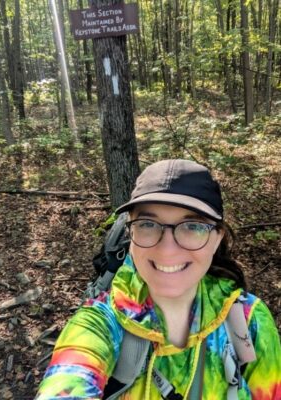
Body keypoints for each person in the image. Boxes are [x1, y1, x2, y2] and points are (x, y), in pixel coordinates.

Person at [35, 159, 281, 399]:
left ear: (217, 238)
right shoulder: (99, 322)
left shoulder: (247, 321)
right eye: (148, 224)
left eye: (193, 226)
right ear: (130, 233)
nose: (167, 250)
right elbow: (68, 378)